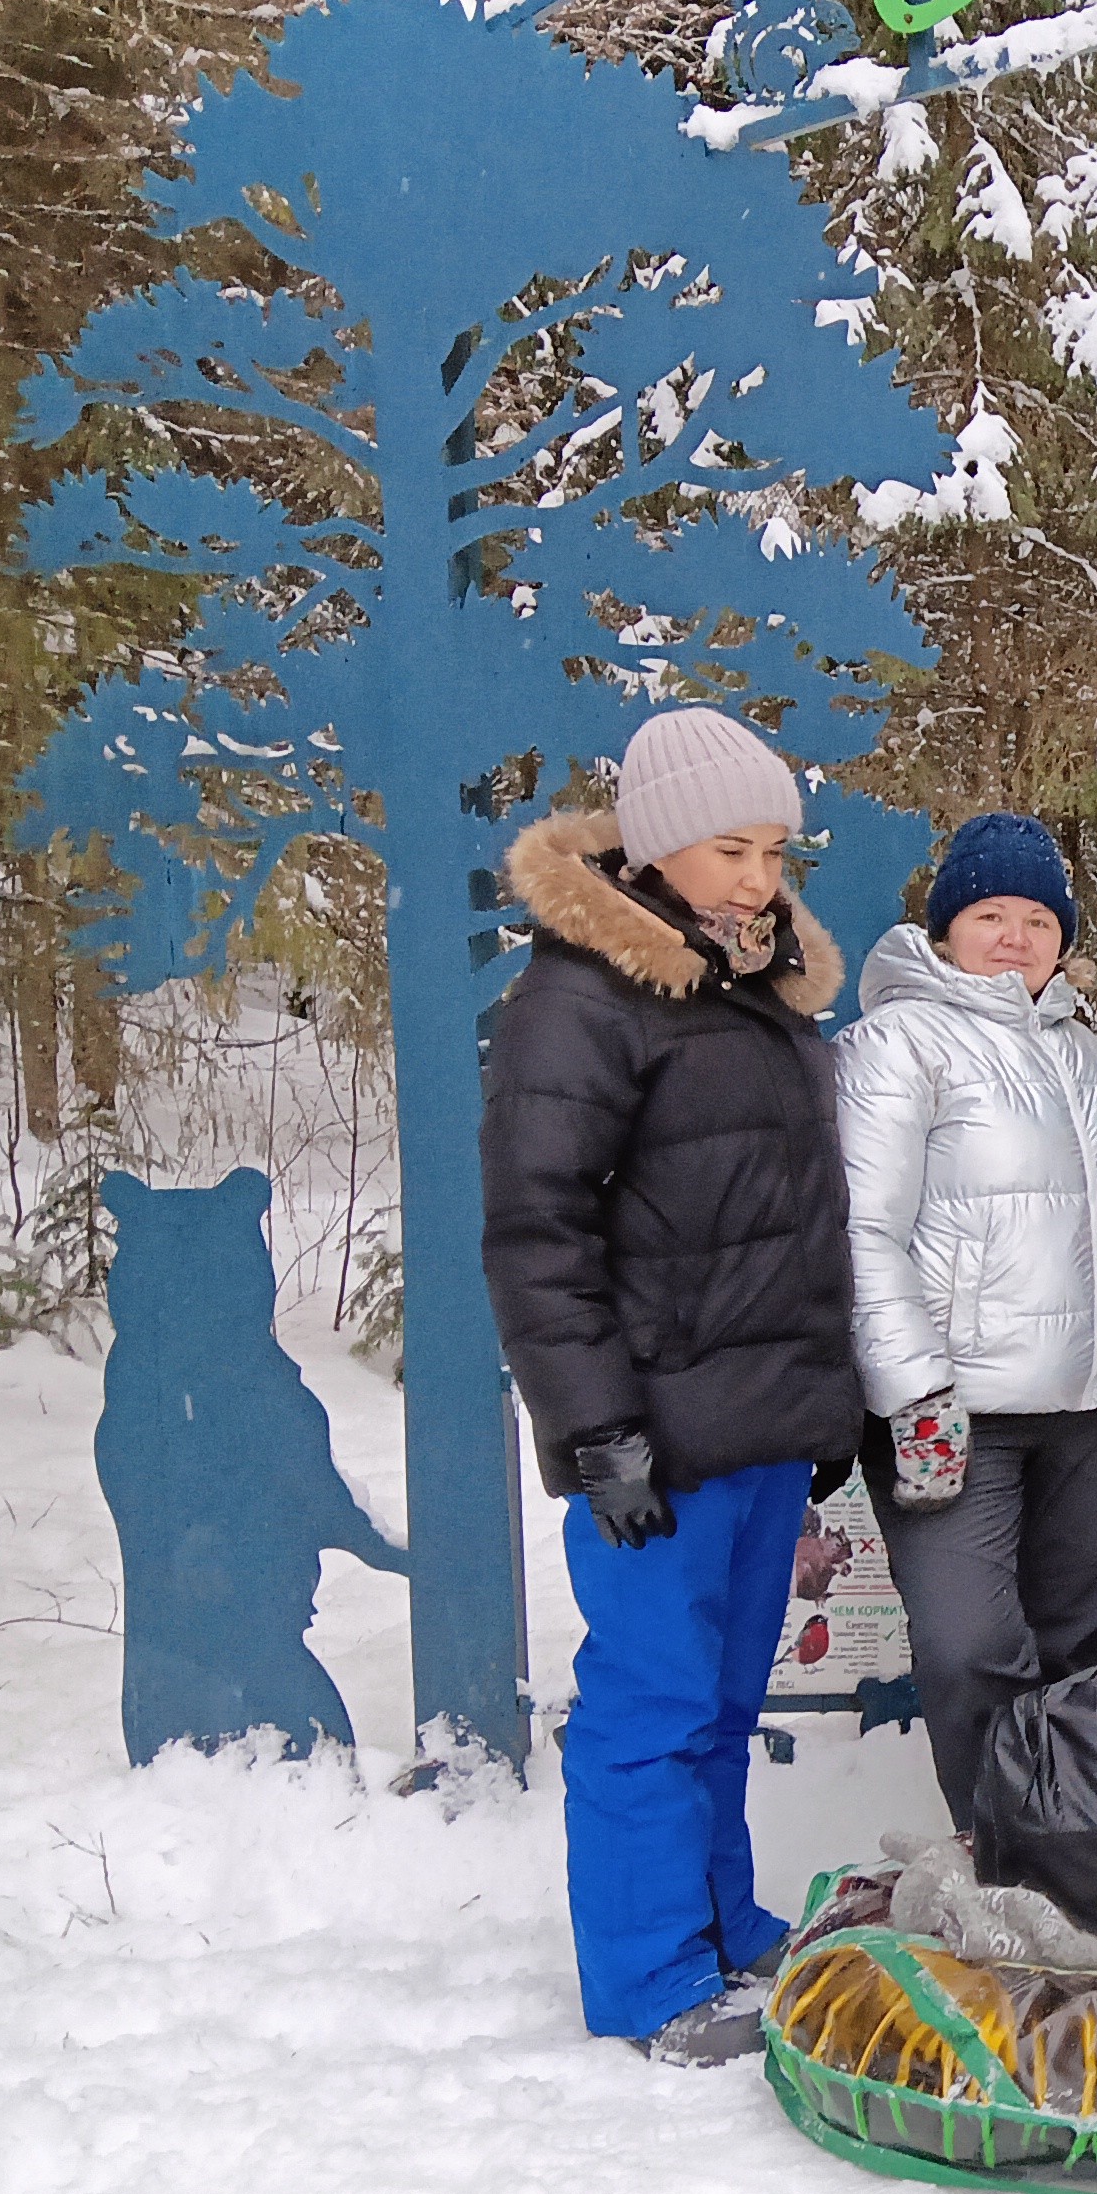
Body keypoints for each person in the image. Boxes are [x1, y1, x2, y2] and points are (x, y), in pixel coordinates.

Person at [481, 708, 857, 2068]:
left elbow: (787, 1223)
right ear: (653, 849)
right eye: (730, 850)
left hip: (756, 1425)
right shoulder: (580, 1000)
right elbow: (538, 1233)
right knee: (650, 1705)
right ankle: (649, 1976)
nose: (760, 878)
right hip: (654, 1439)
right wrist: (594, 1431)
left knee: (723, 1701)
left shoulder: (752, 992)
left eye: (773, 850)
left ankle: (720, 1919)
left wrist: (819, 1406)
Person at [837, 811, 1097, 1841]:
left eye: (1038, 918)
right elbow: (863, 1232)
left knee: (1075, 1636)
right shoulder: (897, 1043)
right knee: (970, 1648)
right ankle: (1000, 1868)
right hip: (962, 1418)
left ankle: (1074, 1864)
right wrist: (913, 1394)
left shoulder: (1082, 1052)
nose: (1016, 937)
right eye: (991, 913)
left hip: (1090, 1408)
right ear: (946, 927)